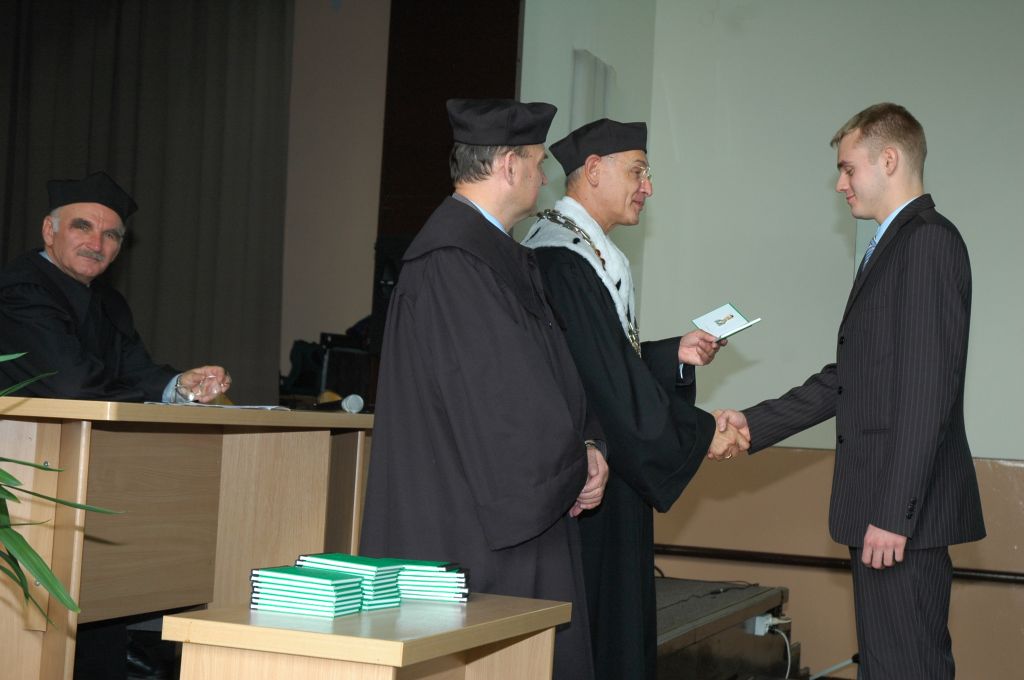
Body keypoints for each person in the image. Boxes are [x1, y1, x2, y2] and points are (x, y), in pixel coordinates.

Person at [715, 103, 985, 680]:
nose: (840, 184)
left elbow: (927, 393)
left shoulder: (927, 242)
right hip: (885, 517)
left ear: (888, 160)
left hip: (899, 522)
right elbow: (851, 379)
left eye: (847, 168)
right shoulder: (892, 245)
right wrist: (754, 425)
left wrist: (893, 514)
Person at [359, 98, 608, 680]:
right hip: (475, 531)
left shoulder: (492, 256)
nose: (544, 177)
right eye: (538, 162)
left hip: (509, 514)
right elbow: (504, 406)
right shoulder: (454, 262)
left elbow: (551, 378)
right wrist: (575, 464)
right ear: (507, 165)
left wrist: (589, 445)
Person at [522, 118, 748, 680]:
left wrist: (674, 355)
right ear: (593, 170)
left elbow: (605, 362)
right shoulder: (559, 258)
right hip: (585, 486)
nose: (648, 186)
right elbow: (603, 382)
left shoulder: (589, 253)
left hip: (607, 472)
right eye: (638, 171)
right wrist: (700, 433)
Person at [0, 171, 230, 403]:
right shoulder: (19, 291)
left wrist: (179, 387)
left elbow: (135, 370)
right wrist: (142, 400)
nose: (96, 245)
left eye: (109, 235)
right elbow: (72, 384)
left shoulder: (109, 301)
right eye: (82, 227)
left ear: (119, 248)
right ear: (50, 231)